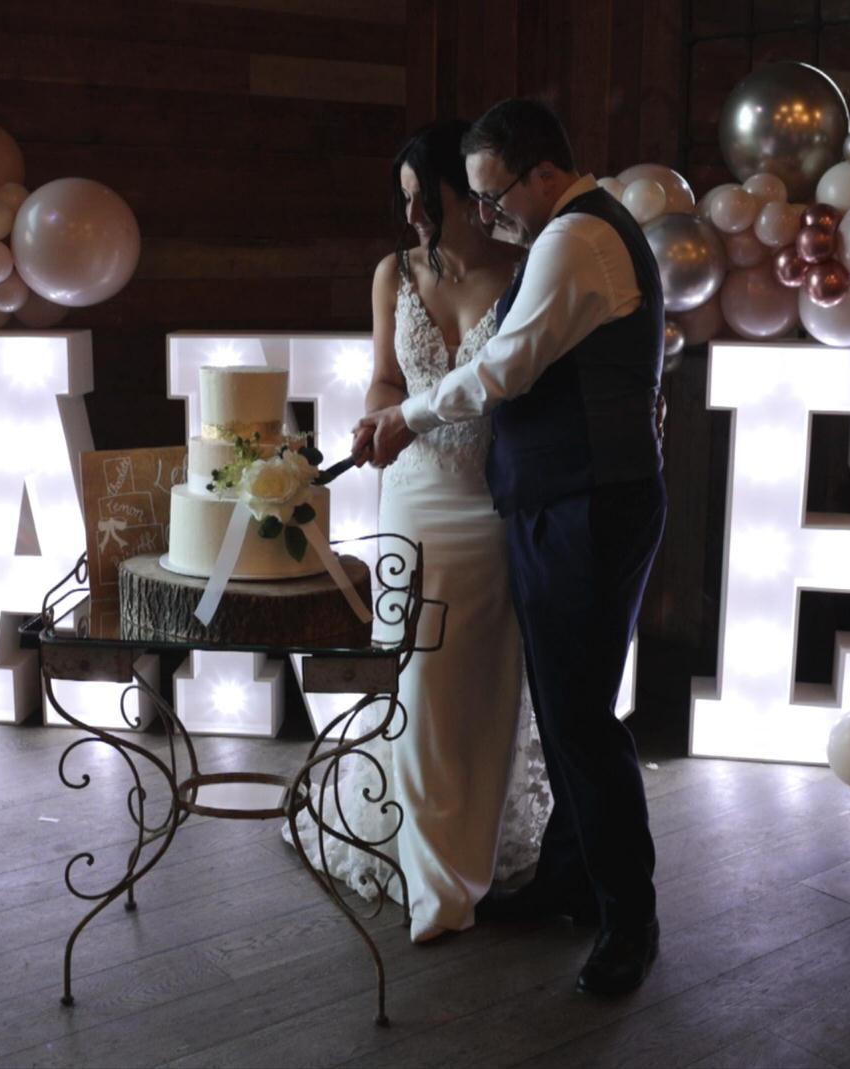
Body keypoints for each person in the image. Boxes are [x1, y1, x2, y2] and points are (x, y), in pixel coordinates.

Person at [358, 98, 667, 996]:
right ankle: (569, 877)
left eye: (495, 196)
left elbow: (505, 368)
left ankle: (630, 921)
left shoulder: (574, 239)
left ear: (544, 172)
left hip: (585, 504)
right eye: (480, 200)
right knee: (567, 706)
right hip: (554, 500)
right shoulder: (570, 232)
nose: (492, 215)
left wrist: (408, 416)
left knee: (579, 719)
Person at [284, 119, 550, 946]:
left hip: (490, 504)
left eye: (420, 199)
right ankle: (435, 876)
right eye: (402, 202)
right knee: (416, 682)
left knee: (484, 685)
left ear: (463, 197)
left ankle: (471, 848)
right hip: (412, 499)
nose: (410, 218)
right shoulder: (393, 273)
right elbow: (384, 377)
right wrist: (377, 418)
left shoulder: (525, 270)